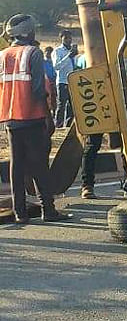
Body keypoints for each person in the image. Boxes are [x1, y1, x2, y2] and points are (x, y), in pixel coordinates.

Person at [1, 14, 71, 223]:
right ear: (29, 33)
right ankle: (48, 210)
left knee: (17, 165)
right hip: (32, 116)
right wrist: (49, 117)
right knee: (39, 164)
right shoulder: (34, 53)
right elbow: (39, 90)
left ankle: (20, 213)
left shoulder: (3, 54)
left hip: (10, 119)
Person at [53, 31, 76, 127]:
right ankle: (58, 126)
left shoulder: (72, 51)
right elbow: (56, 66)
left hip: (72, 81)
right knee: (61, 105)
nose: (68, 40)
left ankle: (68, 126)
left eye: (70, 38)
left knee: (72, 105)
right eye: (66, 38)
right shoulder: (57, 51)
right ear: (61, 38)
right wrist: (68, 57)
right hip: (62, 81)